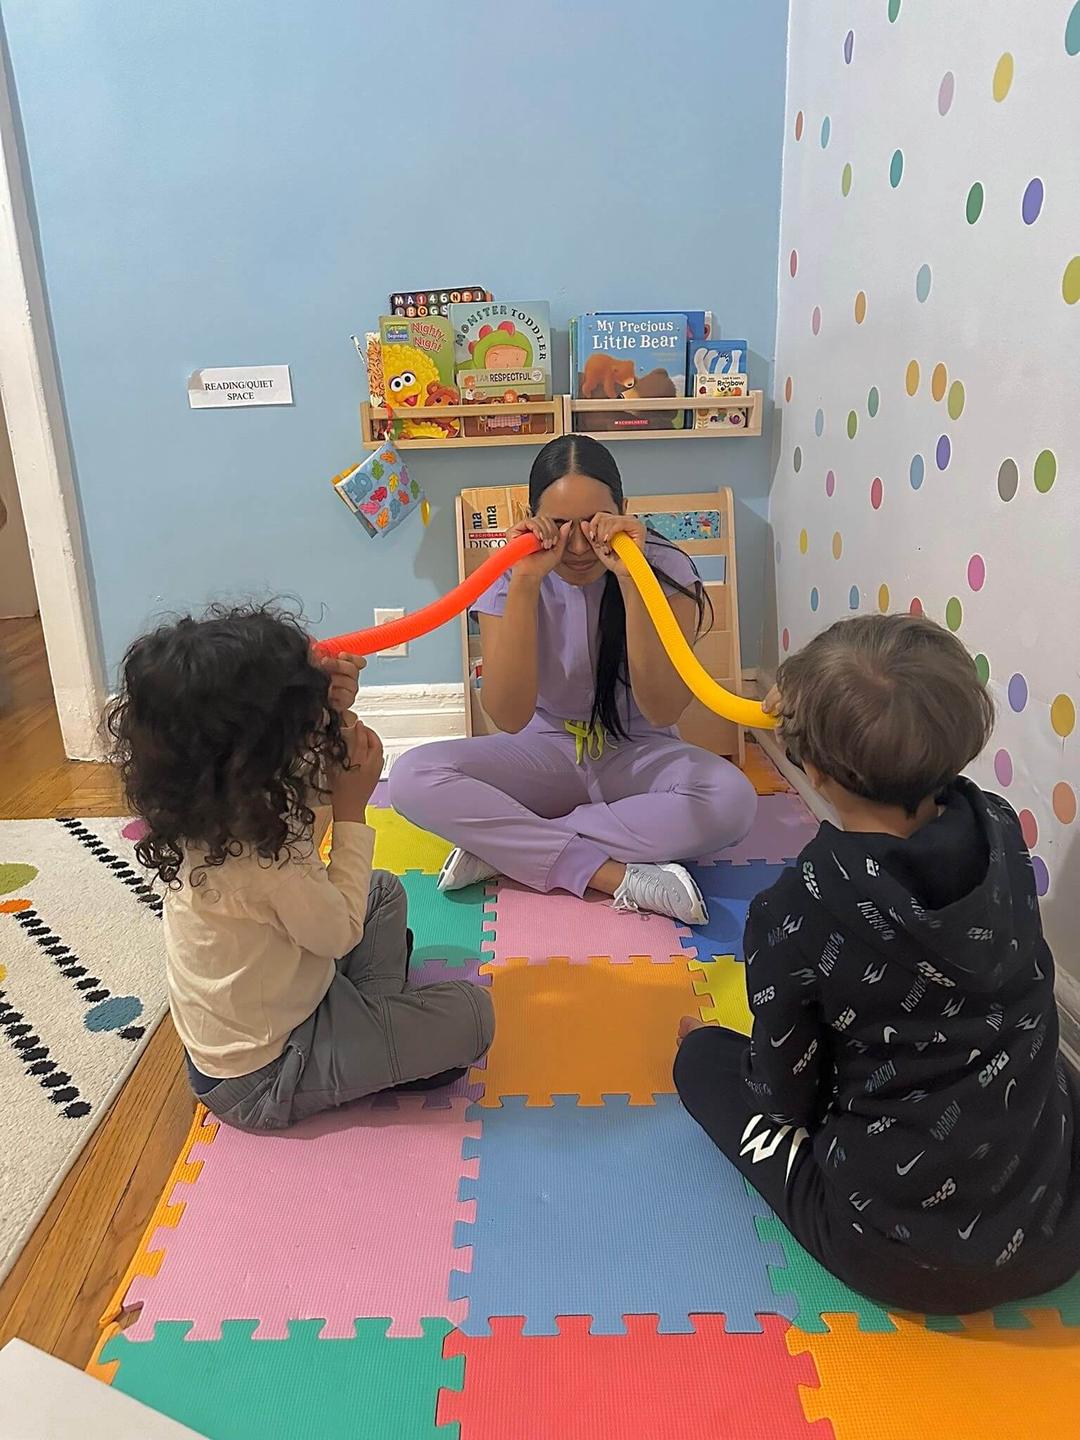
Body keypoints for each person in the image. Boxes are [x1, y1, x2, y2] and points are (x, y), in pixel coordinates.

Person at [675, 613, 1080, 1313]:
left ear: (813, 769)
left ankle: (699, 1056)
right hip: (1058, 1226)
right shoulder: (1001, 828)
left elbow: (784, 1097)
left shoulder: (795, 908)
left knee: (703, 1059)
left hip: (899, 1256)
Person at [106, 603, 494, 1132]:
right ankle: (373, 1035)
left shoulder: (215, 801)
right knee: (473, 1015)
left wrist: (331, 715)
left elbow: (311, 805)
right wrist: (353, 809)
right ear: (261, 745)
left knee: (381, 891)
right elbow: (337, 934)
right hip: (267, 1073)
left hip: (291, 994)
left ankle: (371, 1026)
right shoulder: (259, 862)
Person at [389, 434, 758, 925]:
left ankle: (509, 848)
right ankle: (605, 872)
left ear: (624, 511)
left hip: (640, 751)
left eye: (595, 522)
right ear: (532, 516)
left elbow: (663, 709)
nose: (580, 545)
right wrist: (526, 582)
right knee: (411, 777)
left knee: (733, 801)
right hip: (545, 751)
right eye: (560, 524)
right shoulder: (511, 574)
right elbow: (508, 716)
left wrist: (631, 579)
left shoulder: (667, 569)